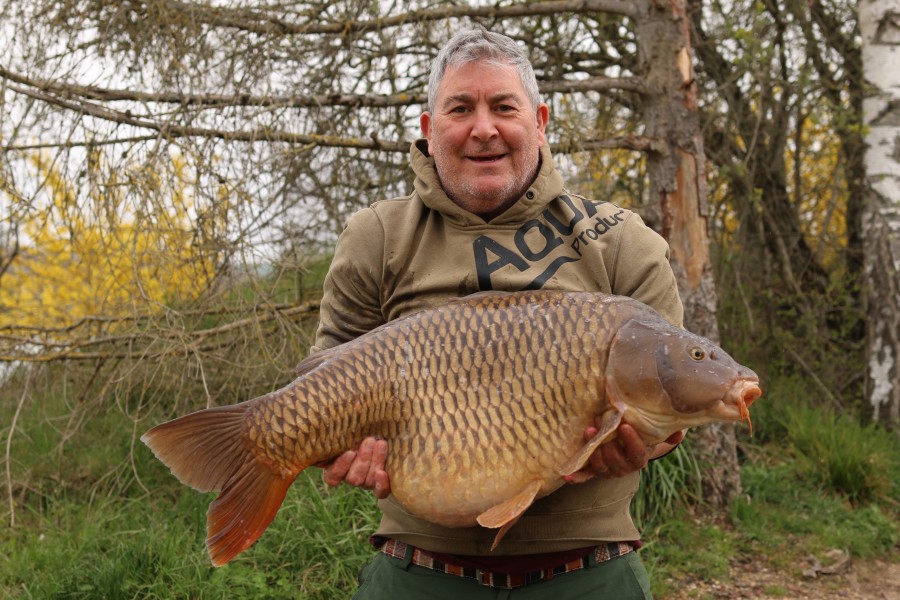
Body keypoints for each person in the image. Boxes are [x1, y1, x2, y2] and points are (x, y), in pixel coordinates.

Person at [312, 26, 685, 599]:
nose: (483, 128)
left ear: (539, 121)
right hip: (419, 569)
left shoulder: (622, 241)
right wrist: (340, 450)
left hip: (588, 569)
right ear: (430, 131)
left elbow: (673, 394)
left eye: (503, 107)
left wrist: (652, 440)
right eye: (461, 108)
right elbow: (321, 384)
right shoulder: (378, 237)